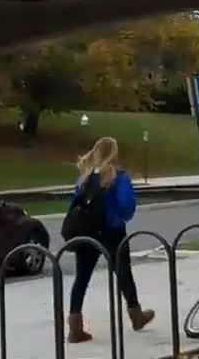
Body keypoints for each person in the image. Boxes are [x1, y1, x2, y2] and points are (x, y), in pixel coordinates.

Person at [65, 137, 155, 343]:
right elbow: (126, 206)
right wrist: (117, 217)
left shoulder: (85, 178)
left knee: (81, 279)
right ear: (114, 153)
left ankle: (75, 328)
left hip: (86, 232)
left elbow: (74, 203)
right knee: (124, 274)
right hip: (112, 233)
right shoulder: (119, 176)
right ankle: (136, 316)